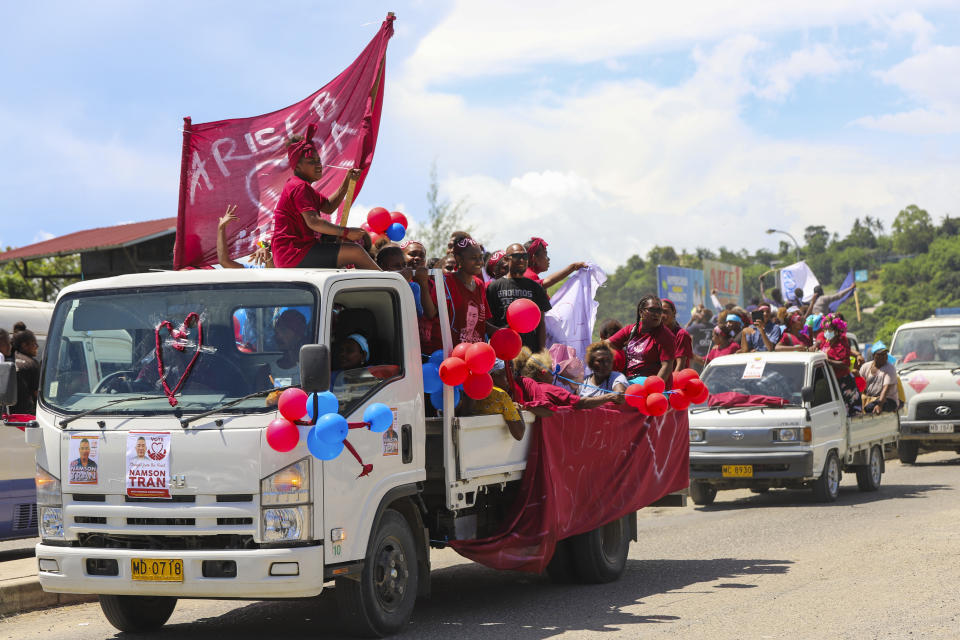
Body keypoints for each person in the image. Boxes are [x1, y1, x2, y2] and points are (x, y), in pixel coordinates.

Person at [271, 124, 379, 270]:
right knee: (355, 252)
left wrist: (346, 181)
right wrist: (346, 232)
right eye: (311, 162)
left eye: (318, 160)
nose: (318, 165)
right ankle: (395, 283)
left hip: (293, 254)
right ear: (297, 167)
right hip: (293, 253)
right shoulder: (299, 186)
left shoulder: (303, 187)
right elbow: (314, 222)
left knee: (348, 257)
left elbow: (328, 207)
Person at [486, 243, 552, 352]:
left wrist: (542, 353)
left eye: (525, 256)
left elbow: (541, 324)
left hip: (530, 352)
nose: (522, 260)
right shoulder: (494, 287)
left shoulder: (535, 288)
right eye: (517, 256)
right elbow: (489, 322)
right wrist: (502, 335)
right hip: (503, 352)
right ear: (507, 259)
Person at [512, 348, 621, 413]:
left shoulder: (520, 386)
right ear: (542, 373)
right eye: (551, 370)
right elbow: (581, 403)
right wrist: (610, 396)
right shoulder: (551, 390)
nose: (554, 375)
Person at [603, 294, 676, 385]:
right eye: (652, 310)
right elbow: (607, 344)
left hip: (653, 386)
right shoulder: (632, 329)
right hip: (630, 382)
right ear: (641, 312)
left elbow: (667, 367)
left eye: (659, 310)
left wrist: (652, 389)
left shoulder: (666, 336)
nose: (657, 314)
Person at [469, 359, 526, 440]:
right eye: (505, 376)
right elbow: (519, 434)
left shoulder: (473, 390)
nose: (508, 380)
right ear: (492, 376)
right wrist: (518, 410)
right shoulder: (501, 395)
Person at [376, 244, 435, 319]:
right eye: (396, 266)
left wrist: (407, 284)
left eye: (404, 265)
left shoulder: (414, 287)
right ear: (382, 266)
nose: (402, 269)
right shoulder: (374, 285)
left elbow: (417, 314)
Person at [819, 314, 861, 415]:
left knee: (848, 412)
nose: (826, 332)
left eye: (829, 330)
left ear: (837, 331)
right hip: (831, 381)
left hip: (844, 382)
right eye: (825, 330)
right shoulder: (826, 343)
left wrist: (829, 362)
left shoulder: (842, 343)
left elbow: (845, 364)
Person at [217, 204, 273, 268]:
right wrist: (221, 228)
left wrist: (268, 257)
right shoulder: (255, 271)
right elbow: (224, 262)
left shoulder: (284, 267)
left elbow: (273, 273)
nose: (263, 251)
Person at [523, 237, 587, 289]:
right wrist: (573, 267)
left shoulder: (524, 274)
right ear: (535, 258)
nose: (548, 259)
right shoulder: (529, 275)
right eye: (545, 255)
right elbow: (548, 281)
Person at [271, 310, 309, 386]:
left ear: (298, 335)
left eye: (284, 330)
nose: (278, 336)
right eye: (276, 332)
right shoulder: (267, 371)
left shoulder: (309, 370)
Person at [859, 342, 899, 414]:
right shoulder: (865, 367)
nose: (883, 357)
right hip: (871, 399)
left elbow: (886, 389)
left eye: (885, 354)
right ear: (874, 355)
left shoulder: (890, 368)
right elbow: (860, 385)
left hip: (888, 399)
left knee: (869, 408)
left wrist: (879, 405)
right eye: (880, 355)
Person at [11, 330, 40, 414]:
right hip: (25, 415)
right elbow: (37, 394)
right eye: (34, 343)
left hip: (7, 414)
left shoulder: (8, 360)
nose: (37, 346)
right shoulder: (32, 363)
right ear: (24, 345)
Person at [661, 299, 695, 369]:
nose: (662, 315)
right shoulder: (658, 334)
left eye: (665, 311)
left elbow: (680, 366)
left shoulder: (681, 335)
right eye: (659, 312)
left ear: (674, 312)